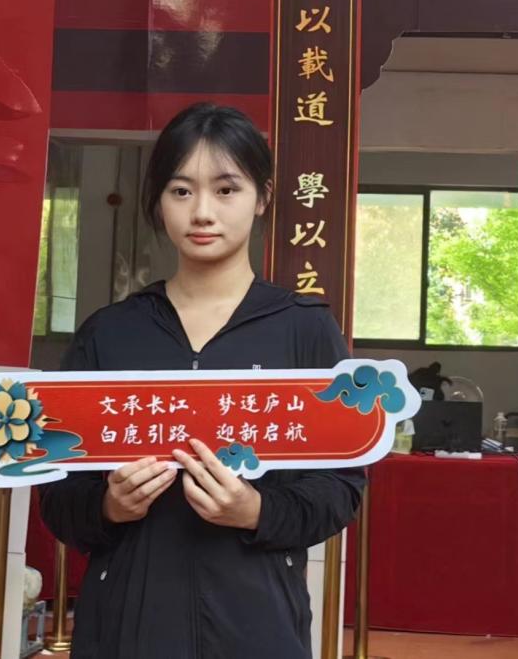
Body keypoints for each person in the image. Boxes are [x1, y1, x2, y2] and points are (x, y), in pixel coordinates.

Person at [40, 103, 365, 659]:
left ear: (262, 197)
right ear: (158, 202)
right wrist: (109, 506)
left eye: (226, 189)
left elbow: (341, 487)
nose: (202, 212)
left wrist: (255, 511)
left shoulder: (304, 330)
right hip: (128, 622)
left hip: (257, 622)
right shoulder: (110, 333)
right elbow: (57, 494)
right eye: (181, 191)